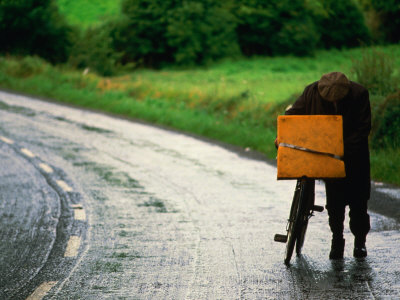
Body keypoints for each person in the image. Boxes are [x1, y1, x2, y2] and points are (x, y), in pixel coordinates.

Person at [281, 71, 371, 259]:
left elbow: (363, 129)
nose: (334, 103)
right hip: (326, 156)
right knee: (335, 203)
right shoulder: (311, 92)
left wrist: (341, 149)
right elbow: (294, 114)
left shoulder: (359, 94)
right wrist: (284, 133)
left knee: (359, 203)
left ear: (347, 91)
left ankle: (360, 241)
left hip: (355, 157)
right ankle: (337, 239)